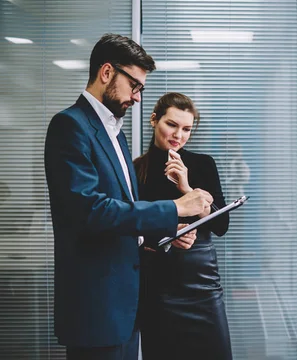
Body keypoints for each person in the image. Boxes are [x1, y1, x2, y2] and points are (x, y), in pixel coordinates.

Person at [44, 34, 213, 360]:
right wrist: (175, 208)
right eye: (134, 84)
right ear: (106, 73)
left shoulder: (115, 132)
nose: (137, 97)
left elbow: (126, 212)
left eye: (141, 89)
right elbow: (89, 211)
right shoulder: (69, 126)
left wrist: (163, 234)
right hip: (96, 306)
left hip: (124, 304)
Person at [134, 92, 232, 360]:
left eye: (187, 128)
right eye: (172, 125)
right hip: (157, 287)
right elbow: (131, 225)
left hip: (201, 285)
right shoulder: (135, 169)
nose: (179, 134)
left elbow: (221, 224)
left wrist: (186, 188)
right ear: (154, 120)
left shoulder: (202, 164)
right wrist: (166, 233)